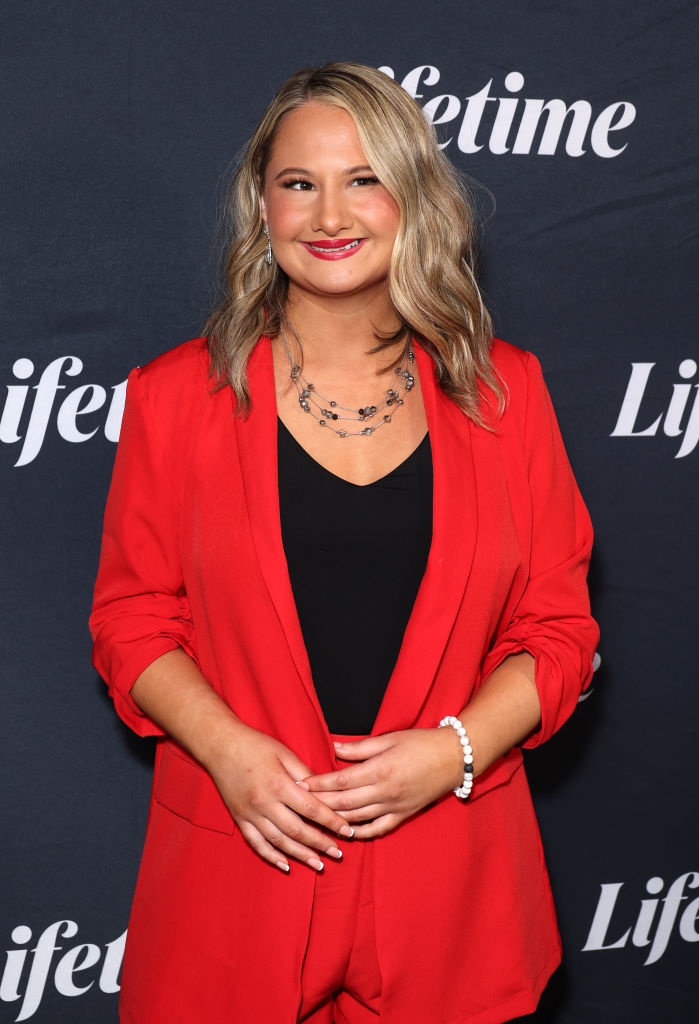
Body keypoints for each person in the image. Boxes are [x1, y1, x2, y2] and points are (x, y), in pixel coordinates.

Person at [90, 62, 598, 1024]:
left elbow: (558, 628)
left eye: (363, 178)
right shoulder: (171, 398)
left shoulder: (506, 394)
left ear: (412, 197)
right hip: (240, 879)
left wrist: (454, 751)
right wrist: (229, 753)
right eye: (298, 183)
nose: (330, 213)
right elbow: (131, 619)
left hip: (451, 884)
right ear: (262, 207)